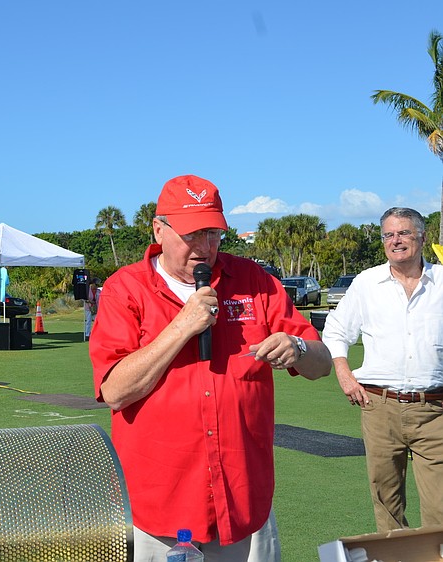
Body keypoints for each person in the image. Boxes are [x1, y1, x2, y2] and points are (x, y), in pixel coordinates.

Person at [89, 175, 331, 562]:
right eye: (192, 234)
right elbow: (115, 391)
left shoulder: (254, 280)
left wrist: (298, 347)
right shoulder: (126, 288)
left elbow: (322, 364)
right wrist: (182, 327)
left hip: (242, 501)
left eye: (213, 234)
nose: (205, 248)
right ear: (159, 230)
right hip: (159, 508)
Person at [322, 207, 443, 532]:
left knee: (441, 508)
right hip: (379, 406)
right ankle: (395, 555)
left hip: (435, 410)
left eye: (403, 233)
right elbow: (336, 330)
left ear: (422, 237)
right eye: (388, 235)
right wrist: (345, 375)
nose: (395, 240)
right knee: (387, 505)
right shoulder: (367, 283)